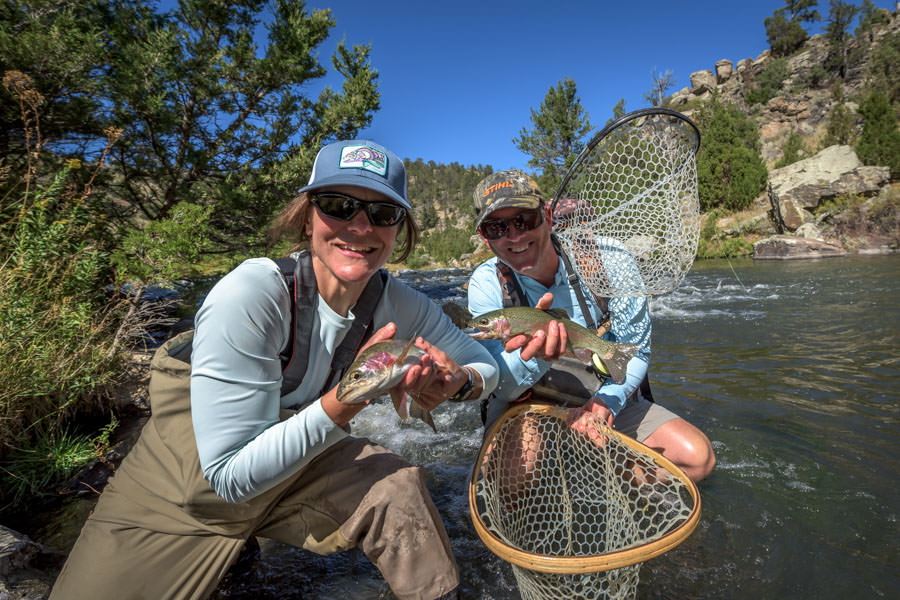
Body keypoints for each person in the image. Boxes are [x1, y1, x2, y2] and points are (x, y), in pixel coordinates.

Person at [51, 140, 498, 600]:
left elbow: (486, 364)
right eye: (338, 206)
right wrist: (346, 403)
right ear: (307, 217)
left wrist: (461, 382)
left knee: (399, 490)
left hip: (293, 465)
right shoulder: (251, 293)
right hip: (187, 493)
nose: (360, 226)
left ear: (398, 229)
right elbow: (227, 476)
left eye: (383, 213)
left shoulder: (398, 301)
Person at [466, 169, 714, 483]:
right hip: (525, 402)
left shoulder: (609, 259)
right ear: (484, 237)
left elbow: (633, 351)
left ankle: (597, 470)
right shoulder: (486, 285)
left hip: (598, 389)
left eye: (524, 220)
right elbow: (502, 385)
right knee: (515, 476)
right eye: (496, 227)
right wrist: (538, 356)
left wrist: (606, 402)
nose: (513, 236)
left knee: (696, 459)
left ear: (547, 217)